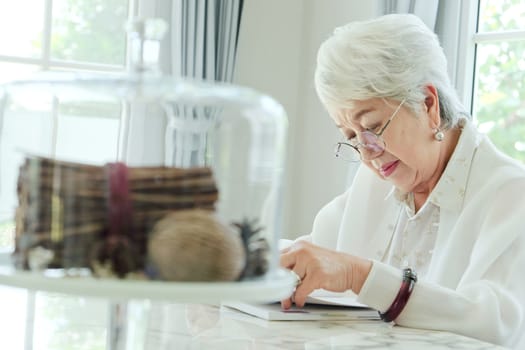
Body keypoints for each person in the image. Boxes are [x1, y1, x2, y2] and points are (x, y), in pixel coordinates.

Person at [279, 14, 525, 348]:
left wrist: (361, 276)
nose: (367, 153)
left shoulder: (511, 194)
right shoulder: (376, 182)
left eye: (374, 127)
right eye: (351, 136)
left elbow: (497, 326)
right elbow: (316, 251)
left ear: (428, 105)